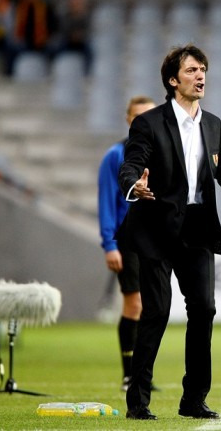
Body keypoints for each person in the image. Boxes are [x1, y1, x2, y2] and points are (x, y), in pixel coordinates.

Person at [118, 44, 221, 420]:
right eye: (191, 70)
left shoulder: (213, 124)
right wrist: (134, 186)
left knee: (204, 309)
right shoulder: (148, 123)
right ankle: (138, 402)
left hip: (197, 228)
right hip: (156, 228)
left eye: (203, 69)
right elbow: (131, 164)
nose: (200, 75)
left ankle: (193, 399)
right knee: (156, 312)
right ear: (173, 81)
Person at [97, 95, 156, 392]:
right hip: (128, 237)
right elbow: (107, 200)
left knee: (153, 306)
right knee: (135, 303)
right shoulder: (115, 155)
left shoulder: (162, 152)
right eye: (137, 117)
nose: (143, 121)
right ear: (128, 119)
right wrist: (109, 244)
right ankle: (129, 375)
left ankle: (142, 374)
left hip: (156, 239)